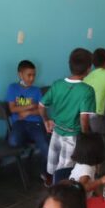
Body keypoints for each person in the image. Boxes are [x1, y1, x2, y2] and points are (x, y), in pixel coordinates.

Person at [38, 48, 95, 176]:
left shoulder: (57, 84)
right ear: (89, 69)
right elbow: (84, 119)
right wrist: (85, 139)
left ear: (69, 64)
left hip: (56, 132)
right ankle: (58, 186)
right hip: (72, 137)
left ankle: (51, 183)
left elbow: (41, 106)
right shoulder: (87, 91)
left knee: (52, 165)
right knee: (64, 171)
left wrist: (46, 120)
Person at [5, 59, 50, 184]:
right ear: (20, 74)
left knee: (46, 147)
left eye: (34, 75)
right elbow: (12, 109)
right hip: (19, 123)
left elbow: (41, 111)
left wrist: (27, 112)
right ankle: (29, 138)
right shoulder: (13, 88)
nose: (32, 78)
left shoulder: (36, 90)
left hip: (35, 123)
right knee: (13, 142)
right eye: (29, 75)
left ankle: (45, 173)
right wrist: (31, 106)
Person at [68, 132, 105, 197]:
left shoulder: (83, 162)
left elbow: (92, 183)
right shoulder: (86, 169)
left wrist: (100, 196)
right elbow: (82, 188)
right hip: (79, 200)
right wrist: (100, 181)